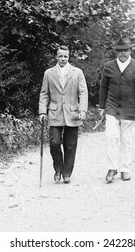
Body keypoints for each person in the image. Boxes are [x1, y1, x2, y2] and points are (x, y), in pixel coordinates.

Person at [99, 37, 135, 182]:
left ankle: (125, 169)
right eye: (120, 51)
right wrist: (102, 107)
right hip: (112, 107)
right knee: (111, 136)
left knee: (127, 139)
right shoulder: (108, 66)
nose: (123, 53)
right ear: (116, 52)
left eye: (125, 50)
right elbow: (103, 88)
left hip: (130, 107)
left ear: (130, 50)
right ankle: (112, 168)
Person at [39, 45, 88, 184]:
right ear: (56, 57)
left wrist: (83, 110)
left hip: (73, 113)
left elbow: (83, 92)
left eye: (65, 56)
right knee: (54, 142)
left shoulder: (77, 72)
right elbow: (44, 94)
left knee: (70, 144)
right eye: (60, 56)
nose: (63, 59)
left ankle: (67, 173)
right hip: (55, 113)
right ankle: (58, 168)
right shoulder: (49, 73)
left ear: (69, 57)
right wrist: (42, 111)